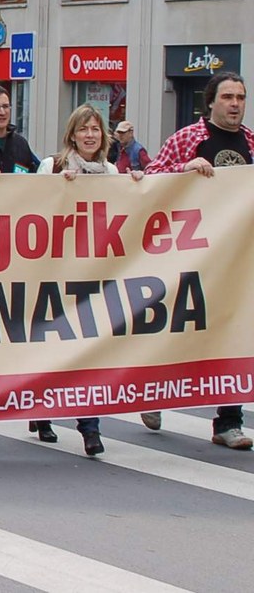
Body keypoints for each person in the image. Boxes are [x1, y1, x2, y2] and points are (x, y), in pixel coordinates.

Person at [146, 70, 253, 450]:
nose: (235, 104)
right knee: (179, 329)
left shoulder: (252, 143)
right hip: (188, 254)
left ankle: (229, 420)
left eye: (240, 97)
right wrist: (184, 169)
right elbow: (150, 179)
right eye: (227, 97)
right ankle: (151, 392)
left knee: (236, 333)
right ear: (210, 101)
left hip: (236, 258)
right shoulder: (189, 139)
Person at [32, 104, 146, 456]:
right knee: (52, 349)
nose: (90, 135)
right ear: (72, 134)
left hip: (95, 276)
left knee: (88, 353)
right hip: (55, 275)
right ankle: (43, 412)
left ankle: (89, 427)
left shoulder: (111, 171)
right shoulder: (53, 167)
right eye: (84, 129)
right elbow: (27, 210)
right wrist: (58, 191)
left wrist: (138, 187)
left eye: (96, 129)